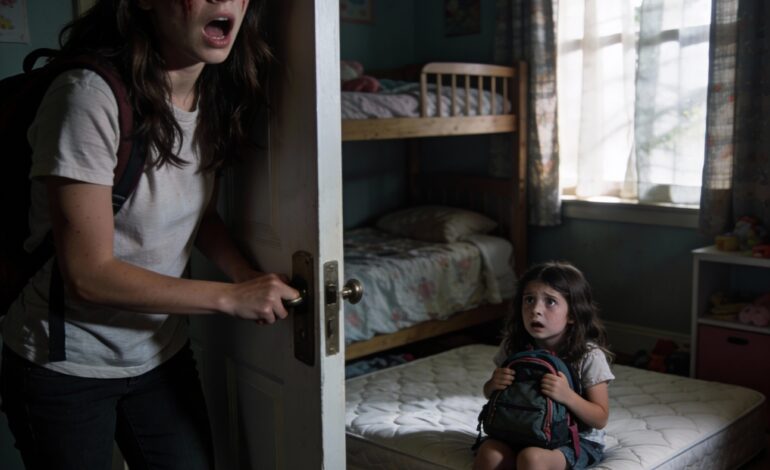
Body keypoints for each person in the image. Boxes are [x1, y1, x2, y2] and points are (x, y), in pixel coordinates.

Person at [0, 1, 298, 469]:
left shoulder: (214, 95)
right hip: (64, 365)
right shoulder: (88, 97)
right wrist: (230, 297)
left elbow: (197, 214)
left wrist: (245, 274)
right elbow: (88, 275)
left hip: (160, 353)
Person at [473, 261, 615, 470]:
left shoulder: (589, 356)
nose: (536, 310)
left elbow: (600, 418)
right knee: (489, 454)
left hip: (574, 438)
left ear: (573, 314)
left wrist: (567, 396)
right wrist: (493, 385)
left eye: (550, 301)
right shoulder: (513, 346)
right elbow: (490, 394)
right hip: (520, 429)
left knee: (532, 459)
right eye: (529, 299)